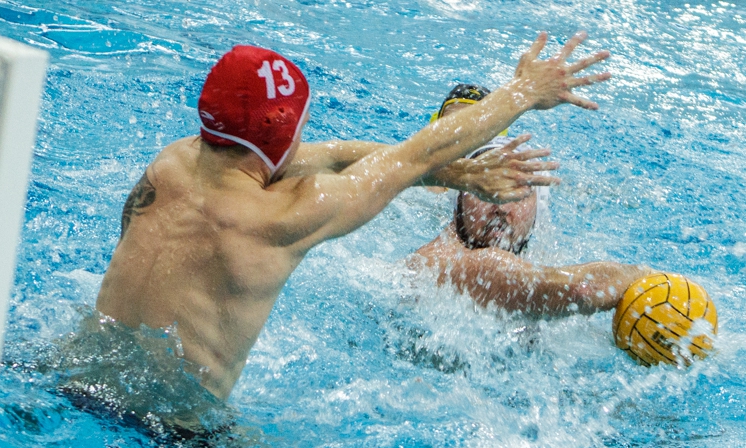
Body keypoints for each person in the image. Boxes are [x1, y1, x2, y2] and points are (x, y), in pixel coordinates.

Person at [96, 32, 612, 401]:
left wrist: (453, 177)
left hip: (80, 379)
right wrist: (523, 93)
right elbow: (415, 155)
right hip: (175, 432)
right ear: (280, 132)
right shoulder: (287, 217)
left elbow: (334, 154)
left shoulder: (173, 161)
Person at [409, 85, 653, 318]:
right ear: (459, 201)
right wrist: (649, 277)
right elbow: (581, 289)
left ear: (538, 208)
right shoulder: (442, 263)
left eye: (518, 193)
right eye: (486, 192)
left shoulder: (539, 261)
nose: (502, 207)